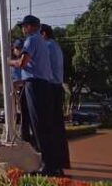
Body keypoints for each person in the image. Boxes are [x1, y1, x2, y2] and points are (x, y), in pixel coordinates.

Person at [9, 15, 58, 177]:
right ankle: (52, 163)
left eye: (23, 26)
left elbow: (23, 62)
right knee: (45, 125)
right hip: (45, 85)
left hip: (35, 84)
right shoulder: (42, 42)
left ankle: (47, 165)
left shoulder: (31, 41)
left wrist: (9, 61)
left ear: (30, 27)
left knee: (38, 126)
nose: (22, 29)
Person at [42, 24, 71, 173]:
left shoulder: (46, 46)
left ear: (44, 34)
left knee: (48, 127)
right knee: (57, 127)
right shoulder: (56, 46)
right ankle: (59, 162)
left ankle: (51, 164)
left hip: (50, 87)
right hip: (57, 86)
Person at [12, 38, 33, 145]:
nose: (17, 50)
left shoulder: (18, 63)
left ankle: (25, 138)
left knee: (25, 116)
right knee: (25, 116)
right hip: (24, 90)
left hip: (23, 89)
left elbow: (17, 81)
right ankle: (26, 137)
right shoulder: (26, 59)